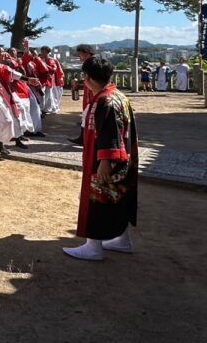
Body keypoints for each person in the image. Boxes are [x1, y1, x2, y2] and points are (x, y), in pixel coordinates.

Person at [63, 56, 139, 261]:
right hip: (123, 159)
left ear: (86, 77)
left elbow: (109, 134)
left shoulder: (104, 101)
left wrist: (106, 160)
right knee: (117, 198)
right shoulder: (118, 96)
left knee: (98, 199)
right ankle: (122, 240)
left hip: (105, 159)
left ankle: (93, 246)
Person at [68, 44, 96, 144]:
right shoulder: (91, 63)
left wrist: (79, 83)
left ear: (86, 54)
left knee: (88, 116)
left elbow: (92, 80)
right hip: (89, 92)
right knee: (86, 116)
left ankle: (85, 139)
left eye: (80, 54)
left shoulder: (91, 64)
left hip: (92, 94)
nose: (79, 56)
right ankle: (83, 137)